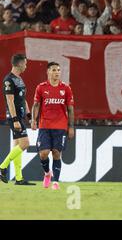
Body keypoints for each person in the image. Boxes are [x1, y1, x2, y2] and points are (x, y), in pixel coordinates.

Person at [31, 62, 75, 190]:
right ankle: (47, 174)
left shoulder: (66, 88)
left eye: (59, 70)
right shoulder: (41, 88)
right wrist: (33, 120)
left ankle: (56, 182)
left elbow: (70, 109)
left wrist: (71, 126)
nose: (57, 72)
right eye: (54, 70)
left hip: (60, 126)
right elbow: (36, 105)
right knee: (43, 154)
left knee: (56, 153)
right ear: (48, 72)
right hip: (44, 125)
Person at [0, 53, 35, 185]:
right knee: (25, 144)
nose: (26, 66)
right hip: (14, 117)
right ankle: (2, 167)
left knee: (17, 146)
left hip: (20, 116)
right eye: (25, 63)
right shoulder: (8, 80)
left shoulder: (19, 79)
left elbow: (22, 99)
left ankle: (19, 178)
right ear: (19, 64)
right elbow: (10, 101)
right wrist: (15, 119)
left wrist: (29, 116)